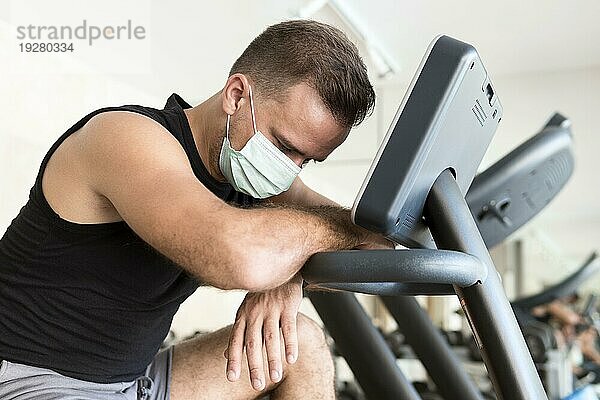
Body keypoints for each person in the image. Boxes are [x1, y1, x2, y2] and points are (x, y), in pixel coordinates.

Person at [0, 19, 391, 400]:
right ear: (236, 95)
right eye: (285, 146)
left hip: (134, 382)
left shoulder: (255, 171)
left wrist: (291, 278)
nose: (290, 169)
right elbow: (241, 260)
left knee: (302, 344)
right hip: (30, 378)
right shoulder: (124, 138)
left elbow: (376, 248)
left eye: (307, 160)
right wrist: (286, 264)